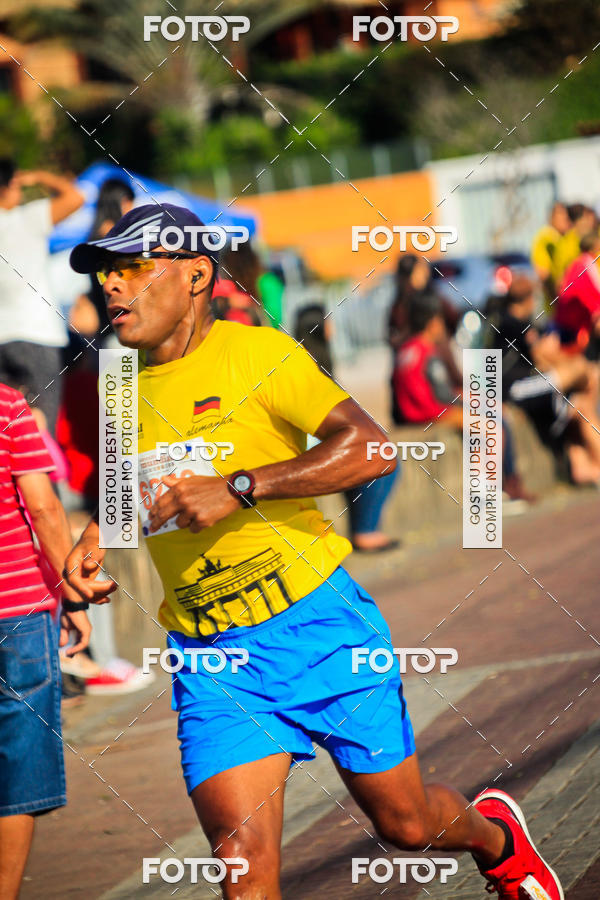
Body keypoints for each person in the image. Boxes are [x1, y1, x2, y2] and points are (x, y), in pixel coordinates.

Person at [65, 203, 563, 900]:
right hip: (214, 660)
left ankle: (496, 837)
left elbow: (373, 449)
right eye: (105, 274)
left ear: (197, 275)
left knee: (408, 826)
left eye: (134, 268)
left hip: (317, 628)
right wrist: (91, 546)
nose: (112, 286)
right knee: (243, 865)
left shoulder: (260, 355)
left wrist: (240, 487)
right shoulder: (119, 387)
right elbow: (122, 502)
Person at [0, 382, 91, 900]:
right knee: (19, 766)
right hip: (16, 610)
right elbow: (45, 509)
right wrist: (72, 596)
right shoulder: (8, 405)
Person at [294, 303, 399, 553]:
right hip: (309, 446)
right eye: (328, 320)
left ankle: (365, 528)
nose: (333, 327)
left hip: (318, 442)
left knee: (377, 452)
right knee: (380, 458)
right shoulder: (309, 363)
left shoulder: (313, 356)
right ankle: (366, 531)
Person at [0, 159, 84, 436]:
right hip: (37, 335)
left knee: (9, 434)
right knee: (41, 434)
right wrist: (37, 175)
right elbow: (75, 196)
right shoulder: (27, 218)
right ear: (12, 185)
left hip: (2, 340)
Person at [490, 274, 600, 484]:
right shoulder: (512, 324)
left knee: (581, 404)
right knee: (581, 376)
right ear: (529, 299)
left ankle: (583, 465)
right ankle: (585, 464)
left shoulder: (516, 322)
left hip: (533, 385)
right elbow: (542, 356)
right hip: (516, 388)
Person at [69, 178, 135, 346]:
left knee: (118, 373)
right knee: (124, 372)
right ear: (121, 201)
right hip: (123, 334)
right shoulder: (117, 241)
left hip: (107, 334)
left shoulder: (93, 240)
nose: (132, 209)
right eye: (130, 202)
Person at [392, 292, 463, 428]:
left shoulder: (409, 349)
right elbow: (432, 398)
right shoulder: (422, 352)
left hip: (419, 412)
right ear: (433, 322)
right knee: (491, 428)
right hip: (427, 414)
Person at [555, 231, 600, 356]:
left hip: (567, 320)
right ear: (595, 246)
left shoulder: (577, 263)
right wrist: (596, 311)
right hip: (575, 323)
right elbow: (590, 292)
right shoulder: (587, 263)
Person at [530, 201, 570, 310]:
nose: (566, 220)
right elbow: (544, 274)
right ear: (552, 218)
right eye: (562, 217)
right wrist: (558, 302)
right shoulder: (545, 237)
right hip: (557, 308)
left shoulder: (566, 237)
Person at [552, 203, 597, 289]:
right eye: (587, 217)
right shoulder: (566, 244)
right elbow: (561, 281)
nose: (591, 221)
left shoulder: (594, 236)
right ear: (580, 220)